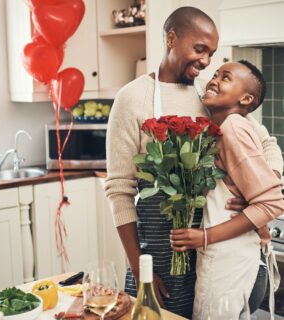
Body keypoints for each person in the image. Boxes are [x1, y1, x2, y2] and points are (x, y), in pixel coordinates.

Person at [105, 6, 283, 318]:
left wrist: (254, 190)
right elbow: (119, 191)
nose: (205, 62)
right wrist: (140, 268)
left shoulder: (210, 98)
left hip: (210, 251)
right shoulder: (132, 98)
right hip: (158, 253)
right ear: (171, 39)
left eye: (211, 54)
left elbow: (267, 143)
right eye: (199, 49)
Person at [170, 60, 284, 319]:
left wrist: (204, 236)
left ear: (246, 99)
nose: (214, 80)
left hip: (227, 260)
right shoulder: (227, 127)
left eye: (226, 77)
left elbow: (272, 203)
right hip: (234, 256)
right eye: (216, 74)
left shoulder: (233, 127)